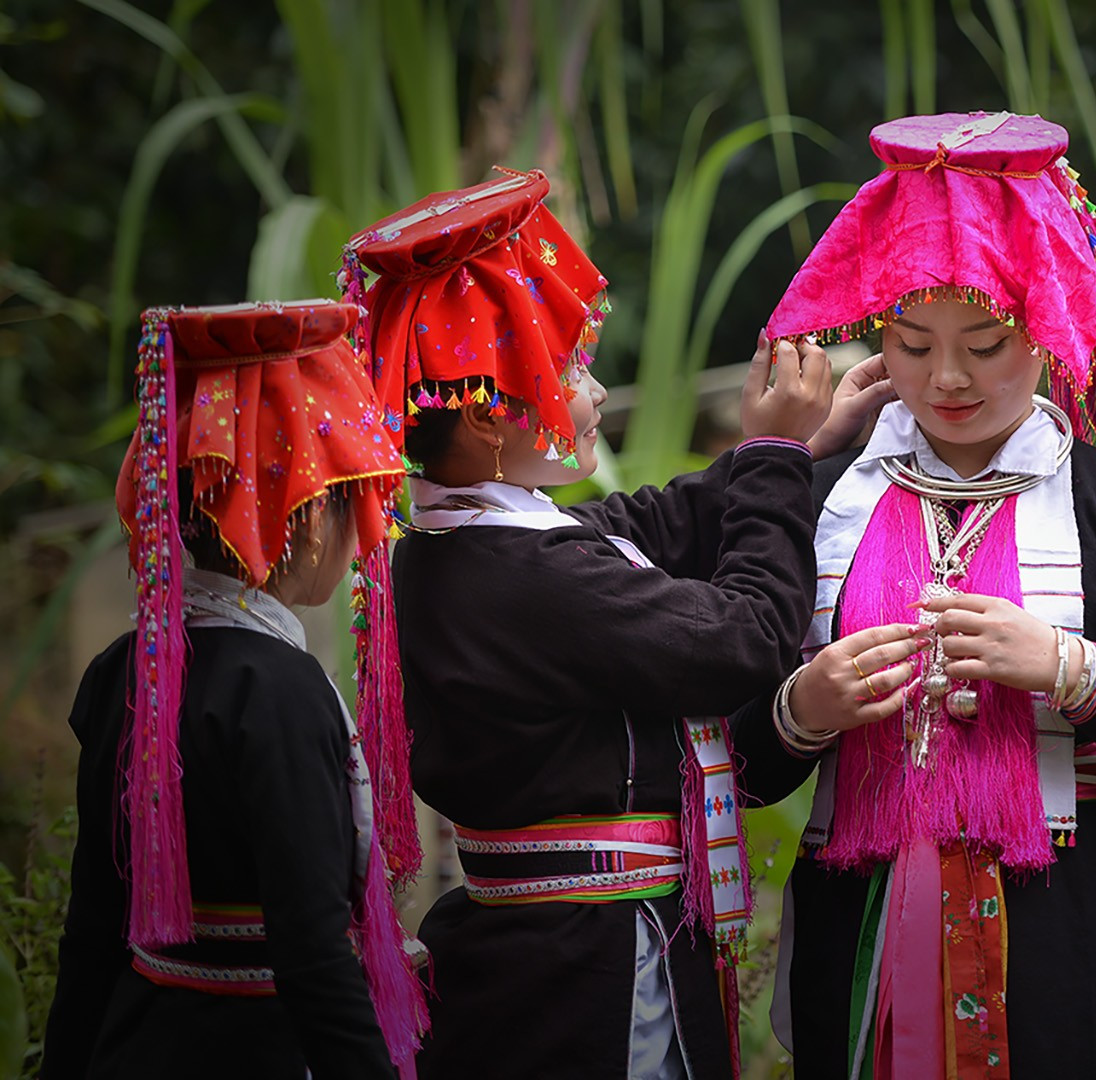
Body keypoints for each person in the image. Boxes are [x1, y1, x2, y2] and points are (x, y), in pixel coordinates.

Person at [744, 111, 1096, 1079]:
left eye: (986, 343)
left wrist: (1073, 670)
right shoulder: (819, 504)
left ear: (1047, 325)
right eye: (912, 343)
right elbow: (735, 763)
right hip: (857, 937)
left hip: (1081, 948)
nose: (946, 378)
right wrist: (800, 710)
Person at [344, 167, 836, 1079]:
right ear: (489, 419)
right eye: (570, 368)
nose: (598, 389)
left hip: (539, 955)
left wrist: (805, 443)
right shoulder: (531, 580)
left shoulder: (456, 546)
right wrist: (773, 455)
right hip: (596, 974)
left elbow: (648, 525)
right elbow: (748, 637)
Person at [42, 300, 425, 1079]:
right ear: (309, 519)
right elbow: (313, 952)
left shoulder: (125, 669)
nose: (364, 533)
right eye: (354, 500)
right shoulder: (280, 691)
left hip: (138, 1045)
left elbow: (92, 927)